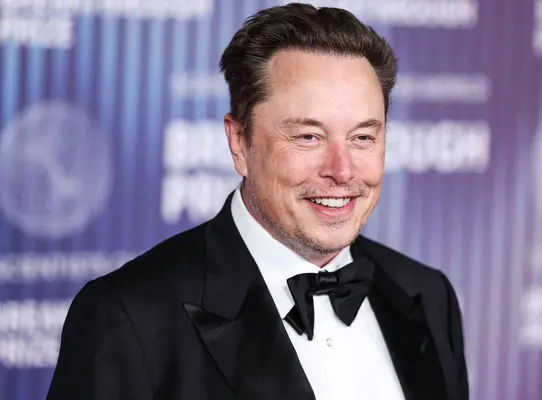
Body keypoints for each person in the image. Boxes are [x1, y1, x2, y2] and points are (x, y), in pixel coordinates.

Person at [47, 3, 468, 400]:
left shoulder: (428, 296)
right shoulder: (127, 315)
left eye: (362, 137)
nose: (341, 171)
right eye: (308, 137)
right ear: (239, 143)